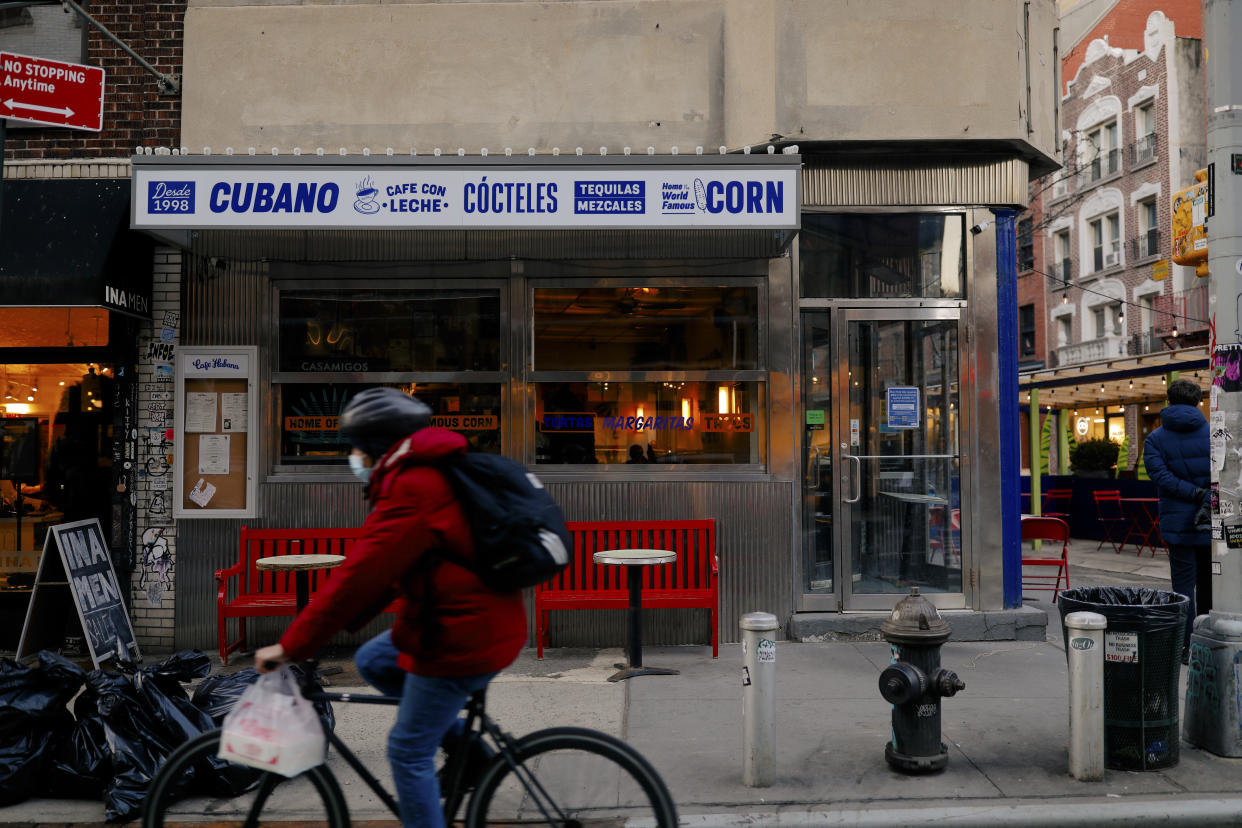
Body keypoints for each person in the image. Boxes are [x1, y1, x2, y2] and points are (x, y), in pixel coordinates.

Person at [254, 388, 526, 828]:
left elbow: (357, 575)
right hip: (468, 620)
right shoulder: (423, 476)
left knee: (407, 750)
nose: (354, 456)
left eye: (357, 446)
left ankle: (463, 761)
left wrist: (292, 645)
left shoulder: (413, 487)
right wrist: (327, 629)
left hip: (463, 635)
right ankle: (471, 753)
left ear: (378, 445)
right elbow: (384, 572)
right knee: (375, 660)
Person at [1143, 378, 1211, 662]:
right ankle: (1209, 641)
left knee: (1183, 587)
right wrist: (1205, 495)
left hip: (1178, 523)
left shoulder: (1155, 439)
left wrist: (1191, 493)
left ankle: (1186, 646)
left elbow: (1160, 477)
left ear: (1168, 401)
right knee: (1210, 583)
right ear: (1199, 402)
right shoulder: (1215, 433)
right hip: (1210, 519)